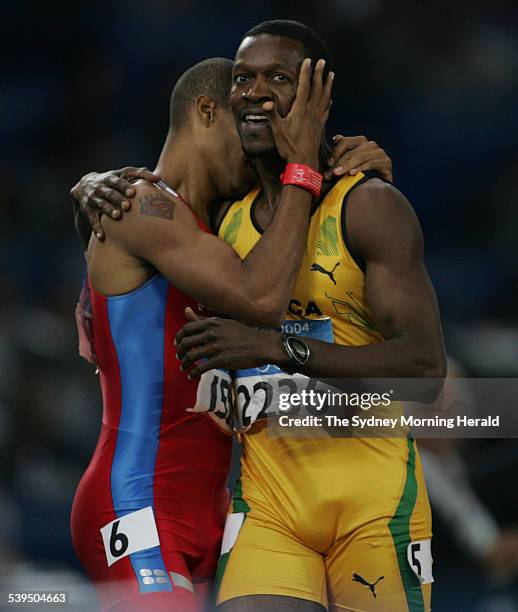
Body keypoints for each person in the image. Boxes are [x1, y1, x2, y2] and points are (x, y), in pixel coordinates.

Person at [174, 20, 446, 612]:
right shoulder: (226, 217)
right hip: (269, 502)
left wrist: (275, 347)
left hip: (373, 504)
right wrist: (94, 186)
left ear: (317, 97)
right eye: (243, 79)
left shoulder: (368, 205)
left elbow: (425, 372)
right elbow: (151, 197)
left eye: (277, 77)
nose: (254, 92)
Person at [71, 55, 336, 612]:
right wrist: (304, 170)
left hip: (217, 514)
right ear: (209, 111)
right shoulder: (139, 205)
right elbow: (260, 300)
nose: (263, 149)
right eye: (250, 130)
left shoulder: (218, 234)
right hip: (135, 505)